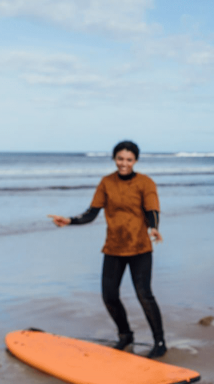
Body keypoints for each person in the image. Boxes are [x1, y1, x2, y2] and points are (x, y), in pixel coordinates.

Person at [48, 141, 167, 358]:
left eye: (129, 160)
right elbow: (91, 213)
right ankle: (125, 335)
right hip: (114, 247)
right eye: (120, 159)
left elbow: (152, 209)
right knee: (109, 296)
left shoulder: (145, 182)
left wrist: (154, 228)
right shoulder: (106, 183)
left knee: (144, 295)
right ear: (114, 159)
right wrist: (69, 220)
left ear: (135, 161)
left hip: (140, 247)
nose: (124, 163)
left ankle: (159, 341)